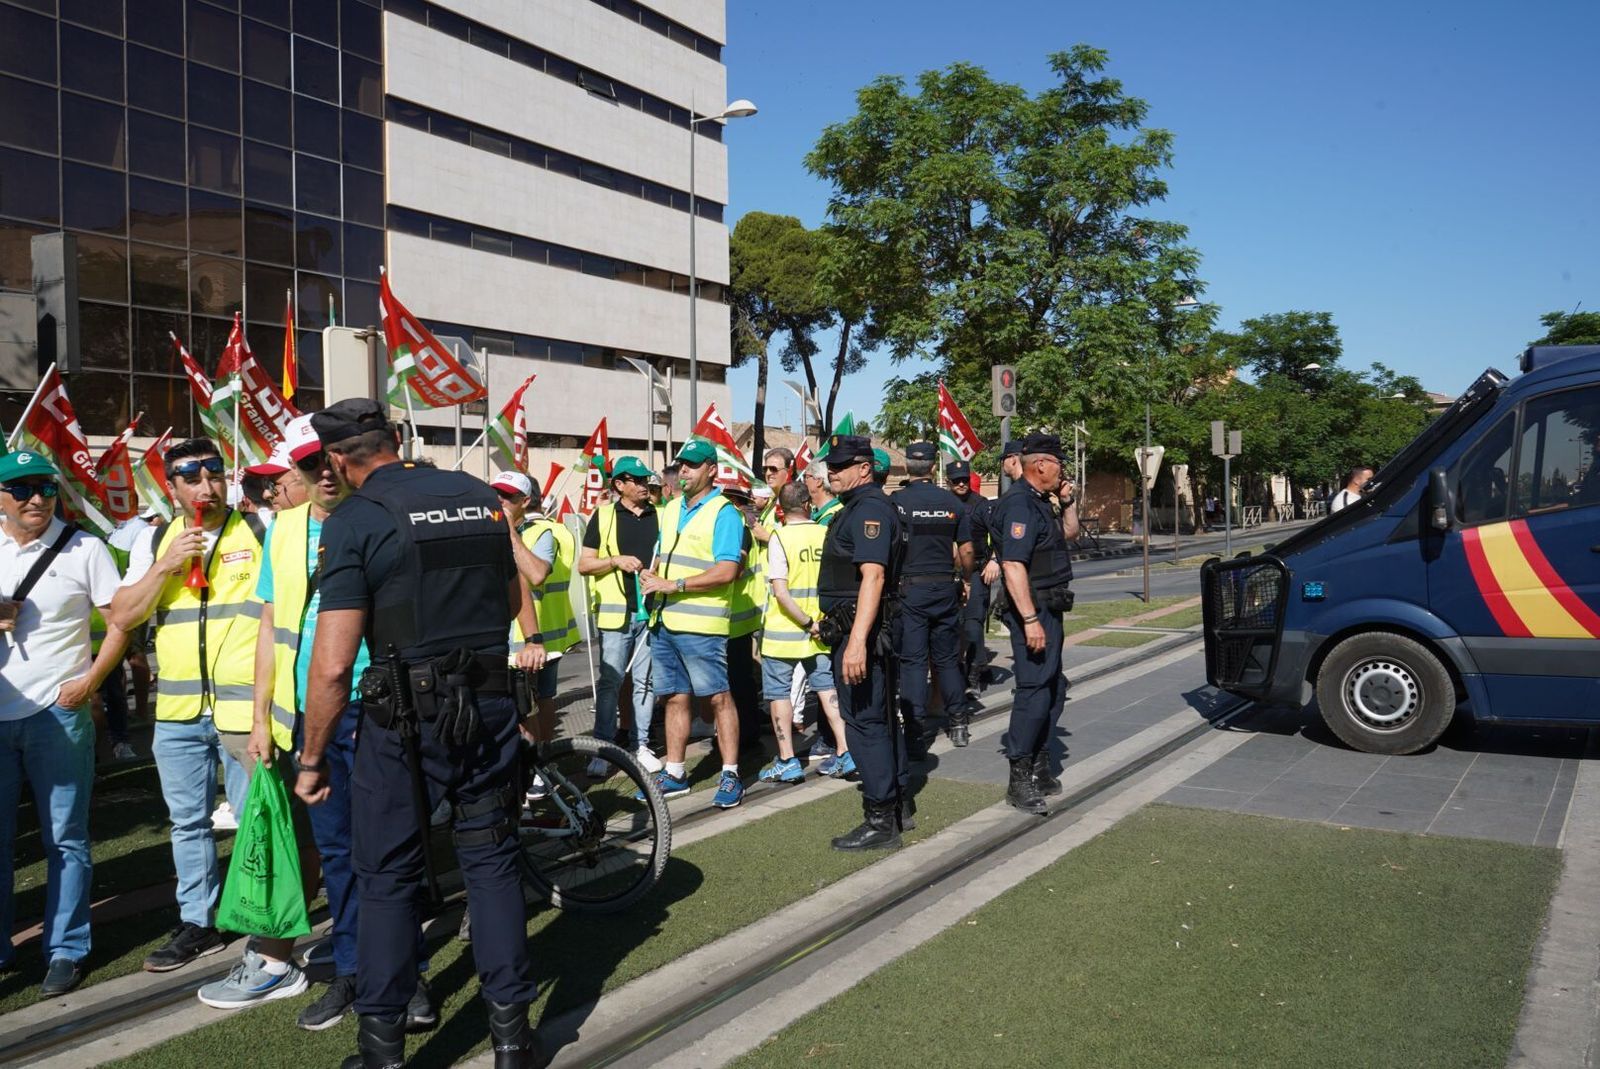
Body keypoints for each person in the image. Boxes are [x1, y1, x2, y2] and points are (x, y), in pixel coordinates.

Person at [292, 399, 546, 1069]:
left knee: (387, 876)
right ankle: (514, 1041)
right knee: (491, 865)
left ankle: (381, 1049)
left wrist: (312, 757)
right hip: (489, 710)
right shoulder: (478, 496)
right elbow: (512, 591)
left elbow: (335, 661)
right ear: (397, 439)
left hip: (404, 724)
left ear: (340, 461)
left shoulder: (356, 518)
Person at [109, 437, 263, 973]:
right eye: (192, 478)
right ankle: (198, 922)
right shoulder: (154, 542)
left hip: (245, 711)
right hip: (176, 713)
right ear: (171, 489)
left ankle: (254, 915)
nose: (206, 486)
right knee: (188, 824)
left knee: (253, 819)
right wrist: (164, 567)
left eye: (214, 474)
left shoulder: (260, 530)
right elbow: (122, 617)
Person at [0, 450, 128, 996]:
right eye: (23, 488)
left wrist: (90, 682)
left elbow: (121, 621)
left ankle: (65, 949)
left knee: (65, 840)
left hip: (60, 711)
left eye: (46, 488)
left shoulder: (85, 547)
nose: (36, 498)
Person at [637, 440, 746, 807]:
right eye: (681, 465)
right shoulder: (669, 509)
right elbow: (663, 557)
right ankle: (675, 772)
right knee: (674, 698)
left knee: (718, 698)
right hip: (664, 621)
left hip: (702, 626)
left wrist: (674, 584)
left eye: (693, 465)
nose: (684, 471)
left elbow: (728, 570)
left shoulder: (725, 513)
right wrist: (652, 575)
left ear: (711, 469)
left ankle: (731, 773)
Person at [817, 435, 906, 851]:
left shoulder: (869, 509)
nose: (831, 472)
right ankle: (891, 806)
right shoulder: (856, 507)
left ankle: (880, 819)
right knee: (872, 721)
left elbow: (874, 577)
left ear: (864, 468)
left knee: (865, 724)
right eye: (829, 466)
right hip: (854, 630)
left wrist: (855, 643)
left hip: (865, 638)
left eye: (840, 465)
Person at [992, 432, 1081, 816]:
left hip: (1050, 608)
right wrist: (1029, 619)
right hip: (1034, 610)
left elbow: (1070, 533)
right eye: (1059, 464)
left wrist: (1068, 502)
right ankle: (1020, 778)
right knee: (1032, 690)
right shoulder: (1019, 505)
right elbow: (1012, 565)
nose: (1062, 470)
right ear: (1041, 464)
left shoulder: (1040, 502)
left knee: (1052, 687)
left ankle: (1040, 763)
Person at [757, 481, 853, 783]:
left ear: (782, 509)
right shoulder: (824, 533)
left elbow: (781, 593)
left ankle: (787, 760)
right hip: (821, 629)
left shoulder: (779, 537)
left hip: (784, 631)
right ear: (808, 504)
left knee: (778, 694)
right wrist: (816, 623)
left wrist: (804, 622)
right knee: (827, 690)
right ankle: (846, 751)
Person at [579, 456, 662, 772]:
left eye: (645, 480)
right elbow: (584, 565)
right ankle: (602, 749)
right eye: (637, 480)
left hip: (650, 613)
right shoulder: (602, 516)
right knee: (610, 683)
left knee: (645, 683)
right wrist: (615, 560)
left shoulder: (662, 515)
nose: (644, 485)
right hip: (616, 617)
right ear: (619, 485)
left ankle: (641, 746)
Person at [892, 443, 972, 759]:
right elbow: (966, 550)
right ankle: (959, 722)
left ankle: (914, 732)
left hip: (911, 590)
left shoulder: (897, 503)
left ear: (908, 466)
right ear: (933, 468)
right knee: (947, 659)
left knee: (913, 661)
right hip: (944, 588)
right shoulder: (952, 502)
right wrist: (965, 579)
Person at [492, 472, 579, 753]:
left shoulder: (542, 533)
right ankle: (533, 764)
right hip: (507, 638)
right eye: (496, 493)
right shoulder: (490, 529)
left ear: (525, 501)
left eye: (507, 496)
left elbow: (536, 574)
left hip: (535, 640)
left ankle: (540, 764)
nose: (499, 500)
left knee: (534, 704)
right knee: (520, 706)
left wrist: (510, 535)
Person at [947, 458, 988, 715]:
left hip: (977, 572)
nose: (962, 484)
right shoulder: (943, 504)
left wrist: (995, 560)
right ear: (949, 482)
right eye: (956, 481)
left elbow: (999, 535)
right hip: (948, 575)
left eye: (965, 480)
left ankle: (974, 674)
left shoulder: (981, 505)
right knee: (953, 627)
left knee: (973, 626)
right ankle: (957, 674)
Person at [803, 459, 843, 527]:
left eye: (806, 477)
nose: (804, 481)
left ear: (819, 481)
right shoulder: (814, 511)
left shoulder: (833, 517)